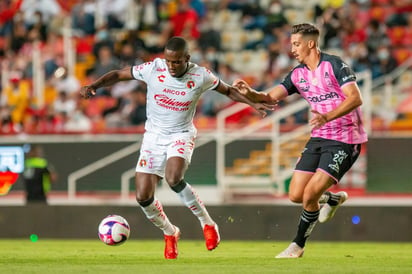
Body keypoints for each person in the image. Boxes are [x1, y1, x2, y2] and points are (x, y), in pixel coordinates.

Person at [80, 36, 273, 259]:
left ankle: (207, 224)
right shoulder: (153, 68)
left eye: (177, 62)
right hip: (153, 137)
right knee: (143, 196)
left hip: (180, 134)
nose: (172, 66)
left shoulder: (200, 75)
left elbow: (228, 91)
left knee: (173, 179)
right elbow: (120, 74)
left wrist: (253, 102)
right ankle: (170, 232)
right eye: (169, 61)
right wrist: (94, 85)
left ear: (187, 59)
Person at [234, 23, 368, 258]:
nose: (292, 49)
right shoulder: (297, 74)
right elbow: (269, 97)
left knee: (309, 195)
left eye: (296, 44)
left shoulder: (335, 64)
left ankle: (297, 246)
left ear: (311, 43)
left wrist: (327, 116)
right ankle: (333, 199)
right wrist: (250, 93)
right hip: (318, 137)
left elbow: (355, 98)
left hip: (346, 139)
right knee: (296, 195)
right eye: (291, 44)